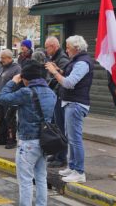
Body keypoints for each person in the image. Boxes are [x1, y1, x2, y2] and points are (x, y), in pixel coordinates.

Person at [0, 60, 56, 206]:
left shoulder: (26, 92)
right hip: (44, 141)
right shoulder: (50, 92)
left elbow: (1, 98)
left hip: (28, 141)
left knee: (26, 181)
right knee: (41, 178)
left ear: (26, 78)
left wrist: (12, 82)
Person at [45, 35, 93, 183]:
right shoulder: (77, 61)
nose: (66, 50)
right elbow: (68, 75)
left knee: (75, 139)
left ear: (76, 48)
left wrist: (54, 72)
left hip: (76, 103)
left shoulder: (82, 63)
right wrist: (59, 69)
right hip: (70, 103)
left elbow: (69, 83)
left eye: (68, 47)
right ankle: (72, 166)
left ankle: (79, 171)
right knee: (71, 138)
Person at [43, 36, 71, 168]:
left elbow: (64, 78)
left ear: (54, 46)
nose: (46, 50)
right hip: (56, 96)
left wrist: (53, 90)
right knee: (54, 127)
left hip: (59, 97)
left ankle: (61, 157)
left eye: (47, 47)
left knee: (59, 128)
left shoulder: (62, 59)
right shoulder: (55, 58)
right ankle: (55, 154)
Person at [0, 49, 21, 149]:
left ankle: (11, 140)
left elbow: (17, 83)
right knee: (1, 120)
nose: (1, 60)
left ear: (9, 58)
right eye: (1, 58)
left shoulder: (16, 69)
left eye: (3, 58)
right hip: (1, 99)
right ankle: (2, 138)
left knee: (10, 120)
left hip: (10, 99)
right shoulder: (2, 68)